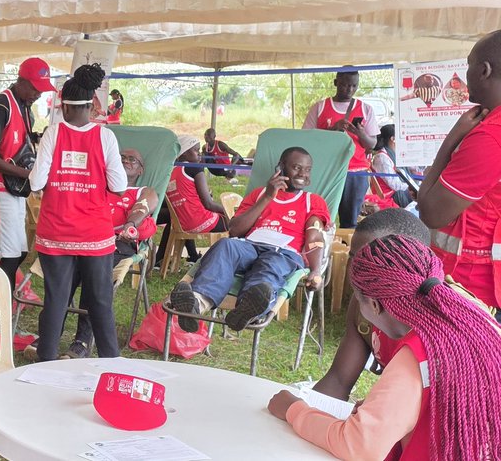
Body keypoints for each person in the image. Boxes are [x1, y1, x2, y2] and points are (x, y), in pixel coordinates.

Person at [269, 234, 501, 459]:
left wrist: (293, 409)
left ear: (373, 304)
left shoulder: (417, 357)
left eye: (359, 301)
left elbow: (358, 447)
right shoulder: (482, 325)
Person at [171, 147, 328, 332]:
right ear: (280, 167)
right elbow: (235, 230)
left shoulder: (313, 201)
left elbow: (315, 237)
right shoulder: (259, 194)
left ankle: (248, 310)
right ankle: (196, 303)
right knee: (226, 245)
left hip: (284, 251)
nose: (303, 174)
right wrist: (268, 197)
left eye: (307, 169)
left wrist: (316, 270)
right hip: (249, 246)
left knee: (270, 266)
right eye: (296, 167)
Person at [30, 63, 126, 361]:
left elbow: (36, 182)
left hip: (55, 234)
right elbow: (120, 186)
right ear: (90, 106)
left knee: (56, 300)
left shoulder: (52, 134)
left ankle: (44, 363)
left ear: (64, 108)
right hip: (94, 235)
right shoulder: (105, 137)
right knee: (100, 301)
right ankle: (111, 362)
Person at [417, 29, 501, 310]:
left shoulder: (490, 137)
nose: (465, 74)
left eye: (468, 65)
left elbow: (430, 212)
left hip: (470, 285)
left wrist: (452, 137)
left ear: (484, 71)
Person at [63, 148, 158, 358]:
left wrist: (131, 224)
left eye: (132, 159)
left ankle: (81, 342)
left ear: (141, 170)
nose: (125, 161)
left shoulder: (143, 191)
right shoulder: (98, 187)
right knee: (63, 273)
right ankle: (50, 334)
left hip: (117, 243)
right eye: (121, 158)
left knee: (94, 273)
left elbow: (144, 206)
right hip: (85, 239)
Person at [0, 56, 54, 331]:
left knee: (19, 252)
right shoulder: (2, 104)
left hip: (14, 190)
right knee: (11, 256)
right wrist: (29, 175)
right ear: (21, 80)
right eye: (35, 87)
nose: (38, 94)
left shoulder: (25, 107)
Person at [303, 69, 380, 228]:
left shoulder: (366, 109)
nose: (349, 90)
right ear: (336, 83)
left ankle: (345, 250)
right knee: (319, 217)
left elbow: (372, 144)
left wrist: (361, 134)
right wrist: (333, 130)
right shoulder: (320, 107)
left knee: (350, 221)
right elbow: (308, 140)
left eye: (354, 86)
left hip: (355, 173)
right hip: (326, 170)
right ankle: (321, 247)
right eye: (345, 85)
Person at [154, 134, 228, 267]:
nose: (199, 155)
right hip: (200, 221)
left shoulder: (169, 172)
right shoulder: (194, 167)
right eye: (196, 150)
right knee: (234, 224)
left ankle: (188, 257)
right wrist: (229, 213)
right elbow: (208, 204)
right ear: (184, 153)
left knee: (187, 213)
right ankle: (223, 264)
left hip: (181, 224)